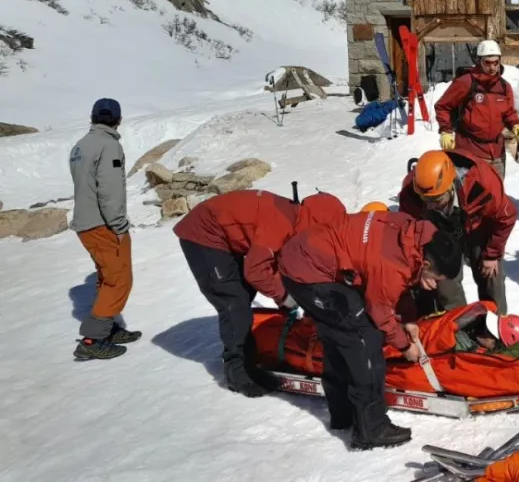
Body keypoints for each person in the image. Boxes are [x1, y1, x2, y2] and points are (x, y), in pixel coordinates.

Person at [278, 205, 463, 449]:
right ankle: (371, 428)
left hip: (305, 258)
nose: (432, 286)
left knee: (337, 332)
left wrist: (407, 318)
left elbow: (398, 281)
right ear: (427, 263)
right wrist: (404, 345)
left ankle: (342, 413)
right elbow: (381, 310)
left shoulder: (410, 232)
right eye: (435, 279)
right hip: (307, 273)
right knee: (364, 336)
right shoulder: (391, 263)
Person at [173, 190, 343, 397]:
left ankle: (249, 361)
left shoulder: (296, 221)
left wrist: (296, 297)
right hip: (203, 235)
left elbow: (276, 264)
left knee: (244, 294)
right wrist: (284, 297)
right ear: (317, 222)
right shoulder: (279, 225)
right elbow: (256, 271)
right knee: (233, 301)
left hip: (226, 235)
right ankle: (238, 374)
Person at [399, 149, 517, 315]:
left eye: (436, 200)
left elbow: (507, 216)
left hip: (477, 227)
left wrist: (492, 255)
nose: (431, 205)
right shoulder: (410, 194)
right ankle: (460, 328)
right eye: (426, 201)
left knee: (492, 279)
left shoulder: (482, 182)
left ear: (450, 187)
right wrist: (421, 267)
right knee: (445, 288)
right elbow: (409, 233)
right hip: (438, 236)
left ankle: (496, 326)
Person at [68, 98, 139, 360]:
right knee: (119, 280)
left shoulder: (80, 146)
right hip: (104, 224)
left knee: (106, 277)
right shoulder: (109, 145)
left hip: (87, 223)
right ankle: (92, 339)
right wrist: (119, 225)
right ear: (118, 119)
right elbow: (110, 191)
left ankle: (107, 329)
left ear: (92, 117)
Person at [434, 40, 519, 179]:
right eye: (487, 62)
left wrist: (516, 124)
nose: (492, 67)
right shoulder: (466, 82)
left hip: (496, 152)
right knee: (473, 196)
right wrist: (446, 130)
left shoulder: (504, 86)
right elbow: (443, 106)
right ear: (479, 61)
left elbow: (508, 112)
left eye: (496, 62)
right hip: (471, 150)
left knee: (496, 195)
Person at [454, 308, 519, 357]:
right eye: (484, 325)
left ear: (499, 344)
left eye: (488, 332)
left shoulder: (488, 361)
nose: (481, 330)